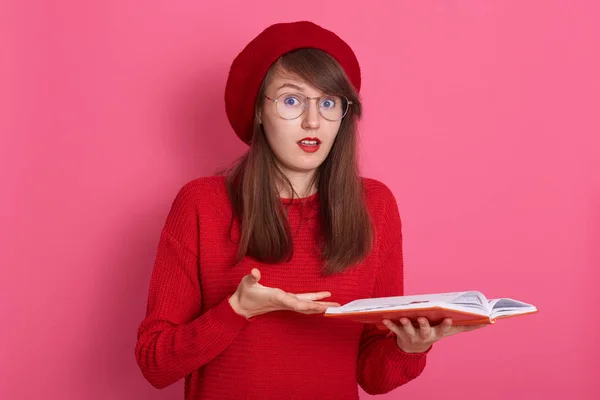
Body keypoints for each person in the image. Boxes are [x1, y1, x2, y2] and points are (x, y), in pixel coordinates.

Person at [135, 21, 485, 399]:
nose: (312, 121)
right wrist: (237, 309)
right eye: (291, 100)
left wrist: (409, 347)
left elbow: (373, 377)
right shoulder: (201, 204)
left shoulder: (375, 206)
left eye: (329, 102)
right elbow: (156, 363)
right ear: (258, 110)